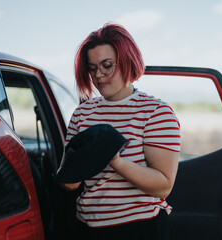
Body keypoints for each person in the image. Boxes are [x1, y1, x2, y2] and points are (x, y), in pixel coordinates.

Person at [60, 23, 181, 239]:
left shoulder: (155, 112)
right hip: (86, 227)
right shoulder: (82, 113)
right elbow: (70, 183)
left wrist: (114, 160)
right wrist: (73, 168)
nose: (99, 75)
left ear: (127, 61)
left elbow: (163, 186)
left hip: (139, 229)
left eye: (107, 65)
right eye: (92, 68)